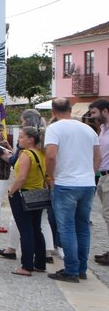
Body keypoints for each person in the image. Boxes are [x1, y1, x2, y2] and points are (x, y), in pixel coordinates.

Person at [44, 97, 101, 282]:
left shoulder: (54, 128)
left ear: (53, 111)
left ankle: (71, 270)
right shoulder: (88, 129)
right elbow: (98, 158)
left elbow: (51, 155)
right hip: (87, 183)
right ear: (71, 109)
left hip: (66, 183)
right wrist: (88, 174)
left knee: (66, 228)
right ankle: (81, 268)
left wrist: (49, 175)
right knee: (83, 227)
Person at [6, 127, 48, 277]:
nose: (19, 139)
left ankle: (27, 265)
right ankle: (40, 262)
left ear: (30, 139)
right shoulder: (40, 153)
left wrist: (11, 191)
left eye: (21, 137)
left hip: (24, 193)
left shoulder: (26, 154)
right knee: (36, 229)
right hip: (38, 193)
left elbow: (22, 177)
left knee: (26, 230)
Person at [88, 100, 109, 267]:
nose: (91, 116)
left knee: (108, 215)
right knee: (106, 214)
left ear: (105, 112)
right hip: (102, 176)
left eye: (94, 113)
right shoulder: (102, 130)